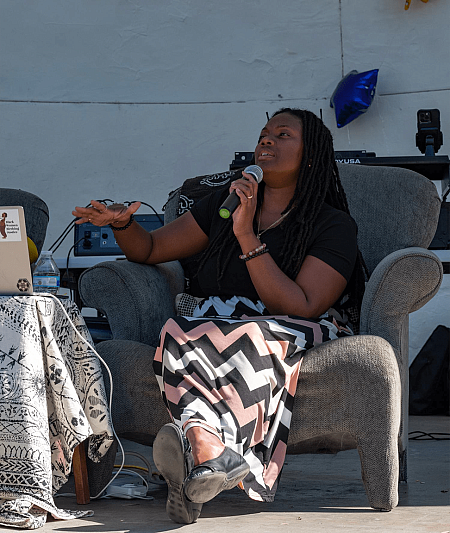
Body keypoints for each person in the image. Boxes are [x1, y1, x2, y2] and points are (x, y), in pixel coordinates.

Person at [73, 108, 366, 524]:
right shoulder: (224, 204)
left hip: (292, 328)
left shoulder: (333, 225)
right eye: (264, 134)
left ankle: (205, 455)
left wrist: (245, 234)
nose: (266, 141)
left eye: (283, 135)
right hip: (215, 327)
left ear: (312, 157)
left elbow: (301, 306)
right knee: (177, 330)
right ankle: (210, 457)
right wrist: (123, 225)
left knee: (242, 335)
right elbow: (151, 250)